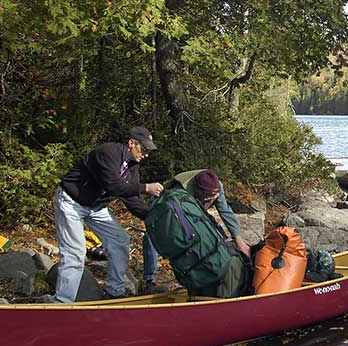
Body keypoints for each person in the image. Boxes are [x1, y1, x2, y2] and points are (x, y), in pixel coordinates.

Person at [53, 126, 164, 302]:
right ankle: (63, 302)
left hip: (96, 207)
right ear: (131, 143)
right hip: (71, 201)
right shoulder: (107, 153)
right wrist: (146, 188)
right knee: (75, 252)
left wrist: (156, 218)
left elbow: (132, 200)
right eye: (144, 149)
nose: (146, 154)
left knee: (120, 240)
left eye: (148, 151)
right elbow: (114, 186)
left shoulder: (132, 168)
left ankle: (115, 290)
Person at [141, 168, 251, 290]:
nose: (216, 197)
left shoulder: (215, 186)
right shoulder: (179, 191)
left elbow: (225, 211)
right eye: (211, 196)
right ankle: (150, 279)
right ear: (199, 191)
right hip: (168, 209)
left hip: (196, 207)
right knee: (154, 237)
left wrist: (238, 239)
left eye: (216, 194)